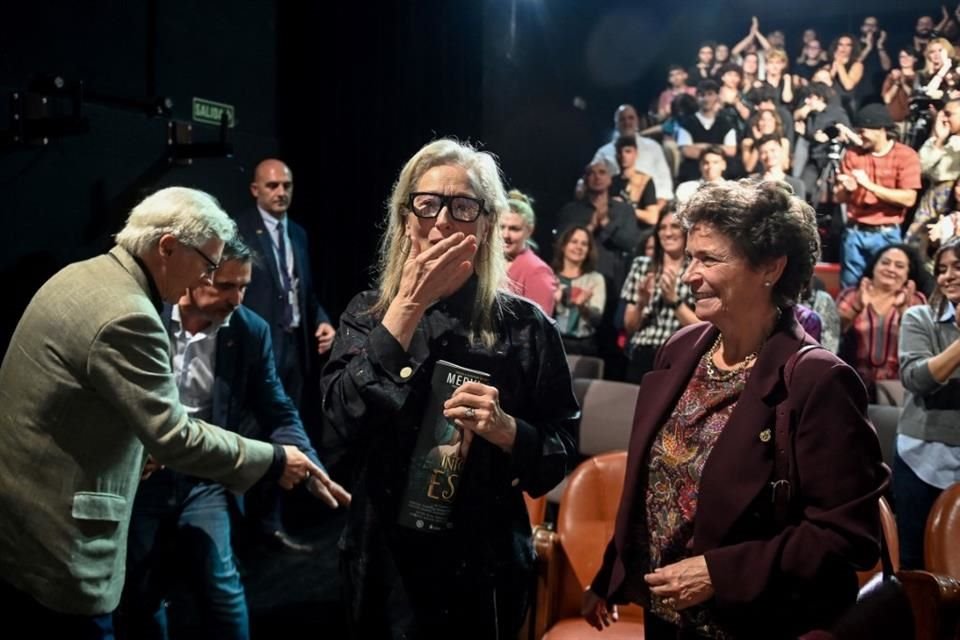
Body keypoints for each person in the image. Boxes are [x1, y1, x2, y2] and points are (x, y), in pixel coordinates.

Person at [0, 187, 329, 638]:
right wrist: (274, 459)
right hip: (68, 534)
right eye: (209, 266)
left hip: (30, 520)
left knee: (218, 587)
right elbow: (172, 435)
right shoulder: (130, 315)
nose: (209, 278)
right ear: (169, 247)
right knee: (134, 600)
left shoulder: (82, 275)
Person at [584, 180, 888, 638]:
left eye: (709, 259)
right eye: (690, 257)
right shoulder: (681, 349)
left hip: (752, 624)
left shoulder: (819, 380)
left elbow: (847, 536)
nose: (689, 274)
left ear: (771, 266)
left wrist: (720, 573)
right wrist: (610, 574)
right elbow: (656, 490)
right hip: (665, 619)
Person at [319, 139, 577, 639]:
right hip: (385, 562)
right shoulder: (368, 312)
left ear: (486, 224)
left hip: (483, 562)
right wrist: (408, 305)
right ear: (405, 217)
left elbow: (560, 451)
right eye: (427, 203)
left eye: (462, 206)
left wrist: (508, 431)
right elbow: (336, 425)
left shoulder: (527, 328)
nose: (442, 221)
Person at [122, 238, 350, 639]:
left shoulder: (248, 330)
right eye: (227, 286)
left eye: (243, 286)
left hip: (204, 476)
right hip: (143, 478)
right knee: (141, 592)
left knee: (222, 588)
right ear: (197, 277)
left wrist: (307, 460)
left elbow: (276, 407)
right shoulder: (145, 316)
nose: (237, 298)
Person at [235, 159, 336, 410]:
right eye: (272, 186)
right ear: (255, 189)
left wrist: (321, 320)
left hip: (296, 347)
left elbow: (305, 291)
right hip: (258, 346)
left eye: (286, 185)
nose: (281, 192)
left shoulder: (298, 234)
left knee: (291, 420)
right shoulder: (239, 231)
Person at [894, 239, 960, 570]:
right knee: (914, 562)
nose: (948, 276)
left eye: (957, 267)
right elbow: (916, 379)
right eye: (942, 269)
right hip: (922, 458)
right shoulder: (919, 317)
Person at [834, 104, 921, 288]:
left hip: (886, 234)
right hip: (854, 233)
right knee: (850, 289)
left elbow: (909, 198)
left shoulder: (906, 156)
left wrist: (869, 186)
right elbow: (839, 197)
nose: (858, 137)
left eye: (862, 131)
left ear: (880, 130)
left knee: (887, 288)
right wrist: (847, 189)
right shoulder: (852, 155)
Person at [836, 243, 927, 402]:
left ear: (908, 274)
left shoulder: (916, 300)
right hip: (852, 384)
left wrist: (903, 311)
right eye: (885, 262)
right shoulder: (851, 295)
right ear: (873, 267)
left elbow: (920, 344)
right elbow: (833, 333)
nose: (891, 269)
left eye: (899, 266)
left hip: (899, 388)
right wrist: (856, 308)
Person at [620, 206, 697, 383]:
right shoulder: (642, 266)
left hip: (680, 354)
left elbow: (702, 329)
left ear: (686, 230)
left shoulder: (695, 270)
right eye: (662, 228)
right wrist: (641, 303)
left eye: (675, 226)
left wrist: (674, 301)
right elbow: (630, 327)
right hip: (643, 353)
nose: (668, 233)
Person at [551, 225, 606, 356]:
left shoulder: (595, 279)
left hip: (583, 346)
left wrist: (582, 307)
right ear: (564, 246)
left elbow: (596, 320)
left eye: (584, 244)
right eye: (574, 242)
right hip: (554, 342)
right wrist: (552, 301)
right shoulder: (550, 276)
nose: (578, 247)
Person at [501, 189, 557, 315]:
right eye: (501, 227)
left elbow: (539, 328)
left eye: (514, 229)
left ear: (529, 231)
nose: (505, 235)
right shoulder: (487, 261)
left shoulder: (537, 271)